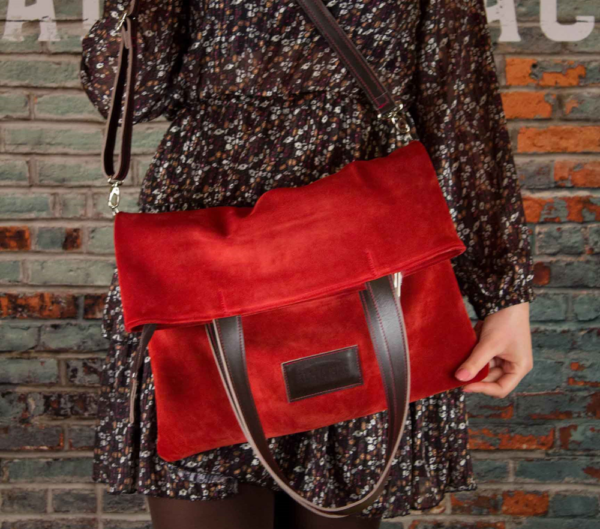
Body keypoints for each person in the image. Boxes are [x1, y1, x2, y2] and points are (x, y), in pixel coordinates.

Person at [79, 0, 536, 527]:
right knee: (199, 444)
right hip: (205, 255)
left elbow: (460, 105)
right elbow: (125, 94)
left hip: (363, 256)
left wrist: (505, 294)